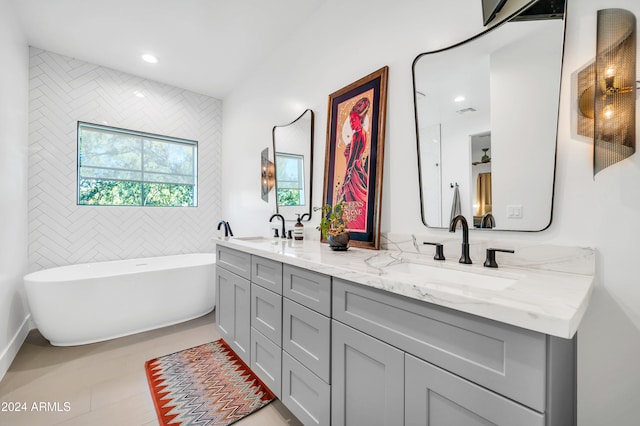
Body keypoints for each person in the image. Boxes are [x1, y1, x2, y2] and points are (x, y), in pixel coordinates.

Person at [337, 97, 370, 231]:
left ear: (361, 119)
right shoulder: (363, 134)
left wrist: (345, 182)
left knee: (350, 202)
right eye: (350, 121)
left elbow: (351, 161)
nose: (351, 123)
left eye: (354, 120)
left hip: (353, 174)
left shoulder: (358, 135)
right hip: (356, 170)